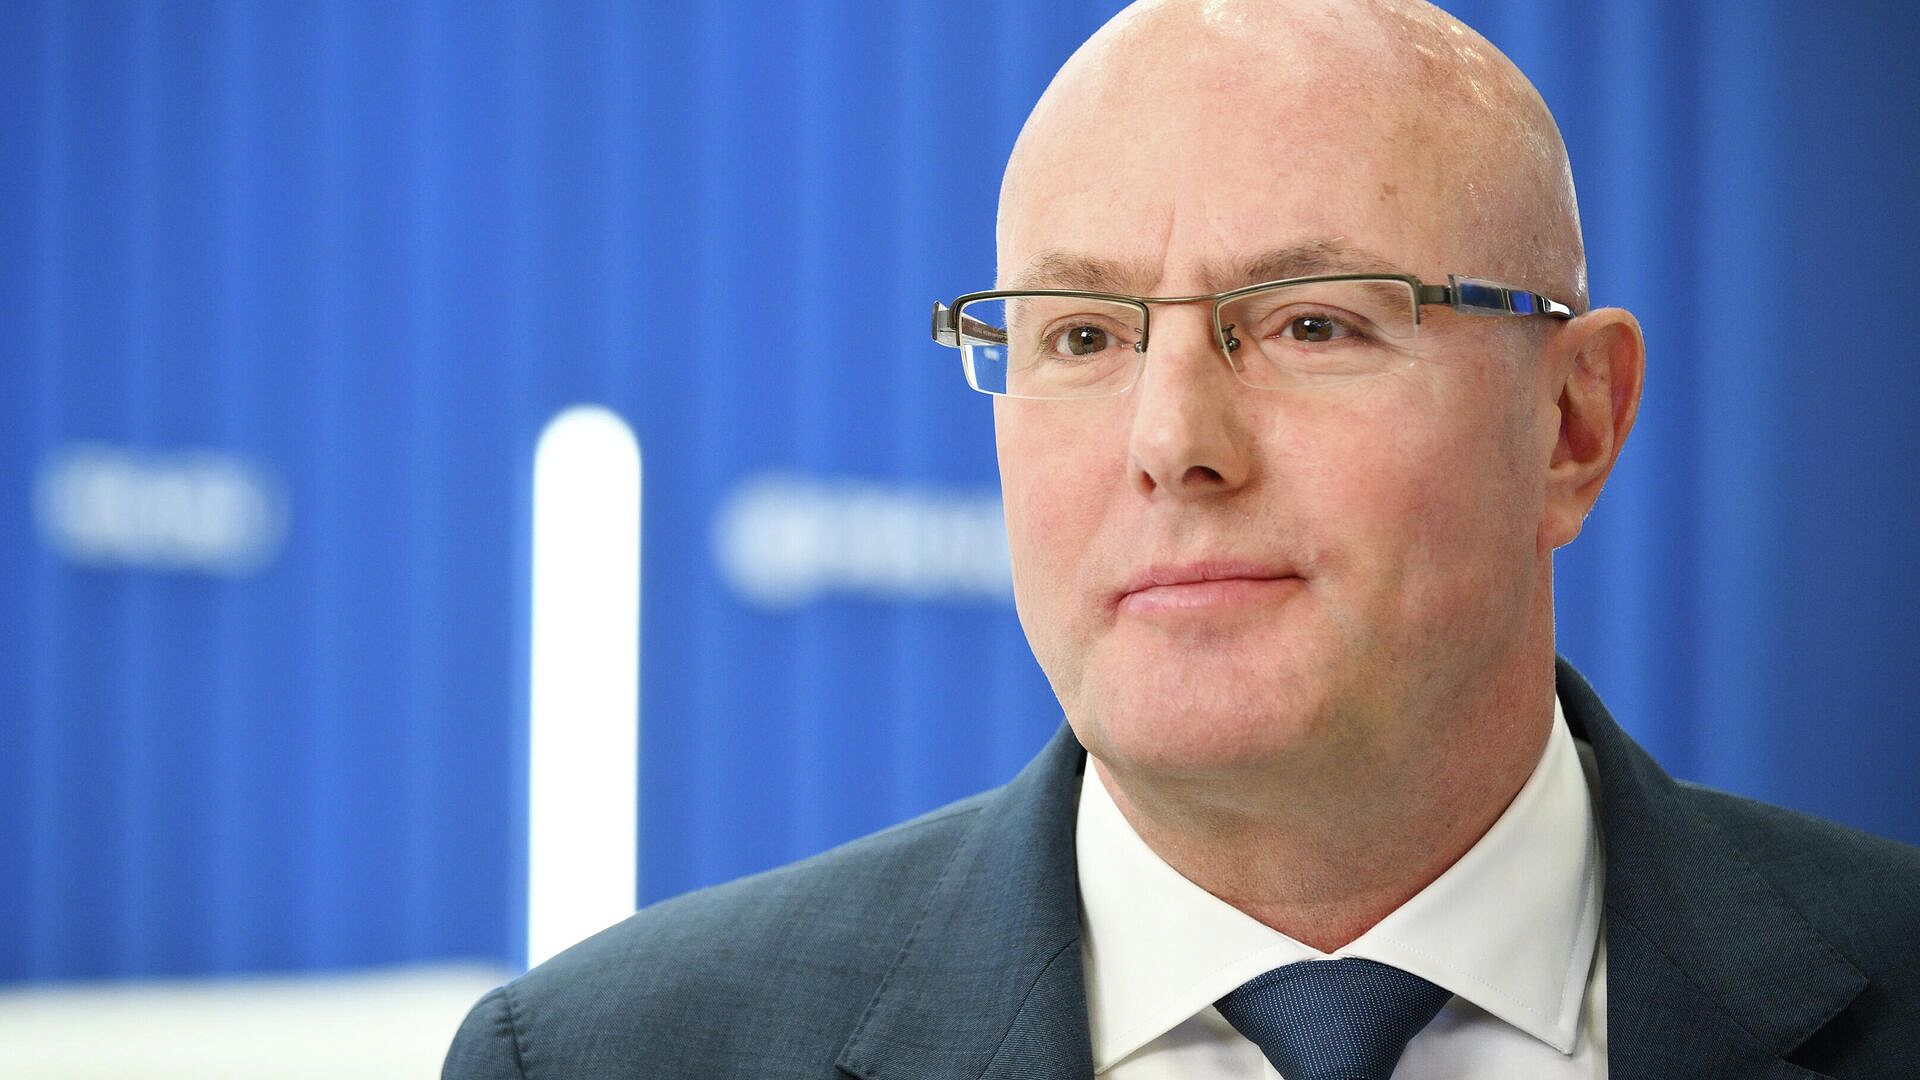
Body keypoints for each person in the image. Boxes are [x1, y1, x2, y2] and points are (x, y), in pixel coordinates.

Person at [444, 1, 1920, 1076]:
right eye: (1081, 335)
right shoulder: (604, 1056)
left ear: (1572, 424)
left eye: (1311, 323)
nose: (1171, 442)